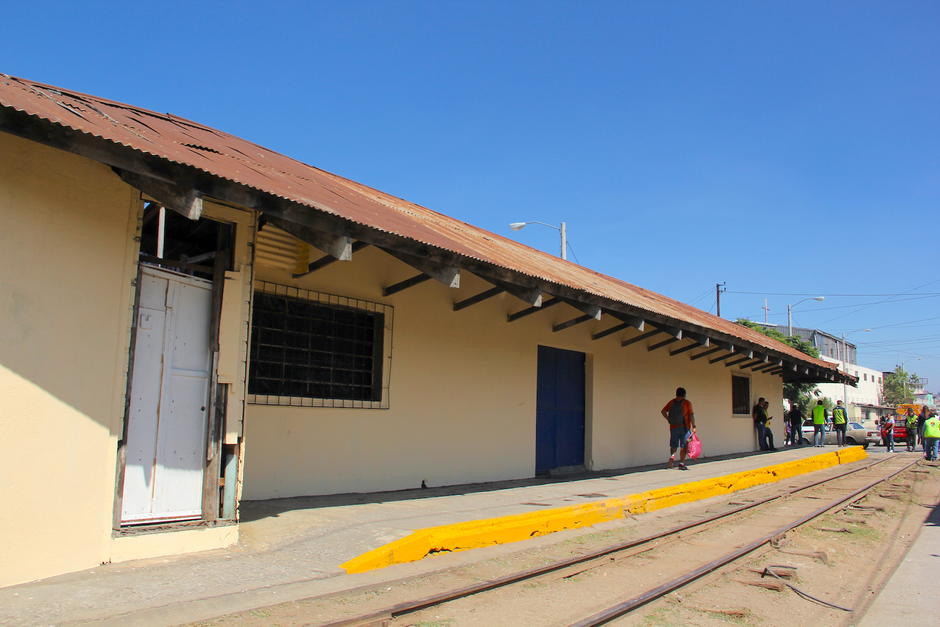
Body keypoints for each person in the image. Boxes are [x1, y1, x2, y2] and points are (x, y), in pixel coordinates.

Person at [662, 387, 696, 470]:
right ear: (684, 394)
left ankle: (672, 457)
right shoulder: (687, 403)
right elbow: (691, 415)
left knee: (673, 444)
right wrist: (694, 426)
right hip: (684, 427)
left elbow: (663, 411)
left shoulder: (671, 402)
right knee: (684, 445)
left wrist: (668, 419)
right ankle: (681, 463)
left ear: (676, 393)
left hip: (673, 427)